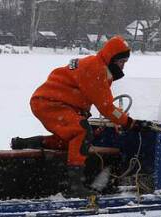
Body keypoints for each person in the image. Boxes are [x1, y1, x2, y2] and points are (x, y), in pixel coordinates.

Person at [26, 36, 147, 197]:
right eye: (121, 62)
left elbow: (104, 102)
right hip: (50, 103)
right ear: (112, 58)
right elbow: (106, 106)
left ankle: (26, 144)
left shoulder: (98, 66)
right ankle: (75, 186)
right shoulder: (96, 70)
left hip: (52, 102)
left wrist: (119, 119)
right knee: (81, 131)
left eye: (125, 62)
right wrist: (130, 123)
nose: (123, 66)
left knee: (73, 139)